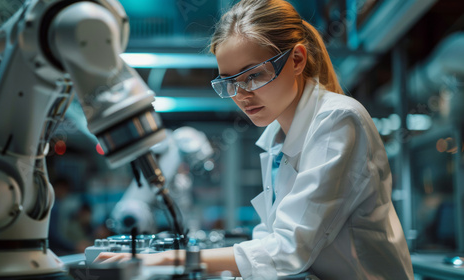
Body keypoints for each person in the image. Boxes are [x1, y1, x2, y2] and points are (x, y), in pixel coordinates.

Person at [95, 0, 414, 279]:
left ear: (297, 60)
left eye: (254, 75)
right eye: (229, 82)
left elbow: (289, 249)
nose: (242, 95)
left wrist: (165, 259)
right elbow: (269, 240)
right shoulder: (276, 138)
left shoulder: (338, 120)